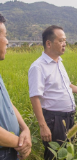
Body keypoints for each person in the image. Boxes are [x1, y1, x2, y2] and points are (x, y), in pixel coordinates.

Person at [28, 25, 77, 160]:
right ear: (49, 43)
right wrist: (43, 126)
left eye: (65, 41)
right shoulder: (38, 67)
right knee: (55, 155)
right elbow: (34, 97)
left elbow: (67, 86)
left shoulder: (59, 62)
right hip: (54, 119)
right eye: (61, 41)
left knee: (67, 154)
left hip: (68, 118)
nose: (64, 44)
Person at [0, 14, 32, 160]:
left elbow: (8, 104)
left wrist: (25, 128)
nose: (7, 41)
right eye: (4, 35)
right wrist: (21, 143)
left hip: (11, 149)